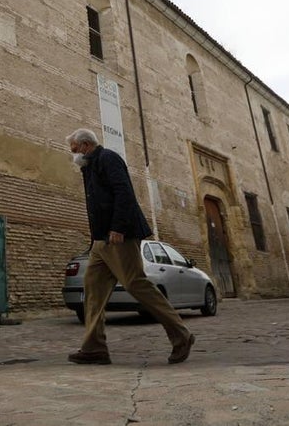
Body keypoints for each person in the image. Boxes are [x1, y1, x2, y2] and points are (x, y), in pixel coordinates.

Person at [65, 128, 195, 365]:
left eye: (74, 150)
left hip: (118, 237)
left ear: (85, 145)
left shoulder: (108, 158)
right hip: (100, 242)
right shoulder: (89, 167)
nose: (73, 154)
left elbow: (124, 192)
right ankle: (94, 348)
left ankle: (181, 336)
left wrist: (119, 227)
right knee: (93, 290)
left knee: (136, 284)